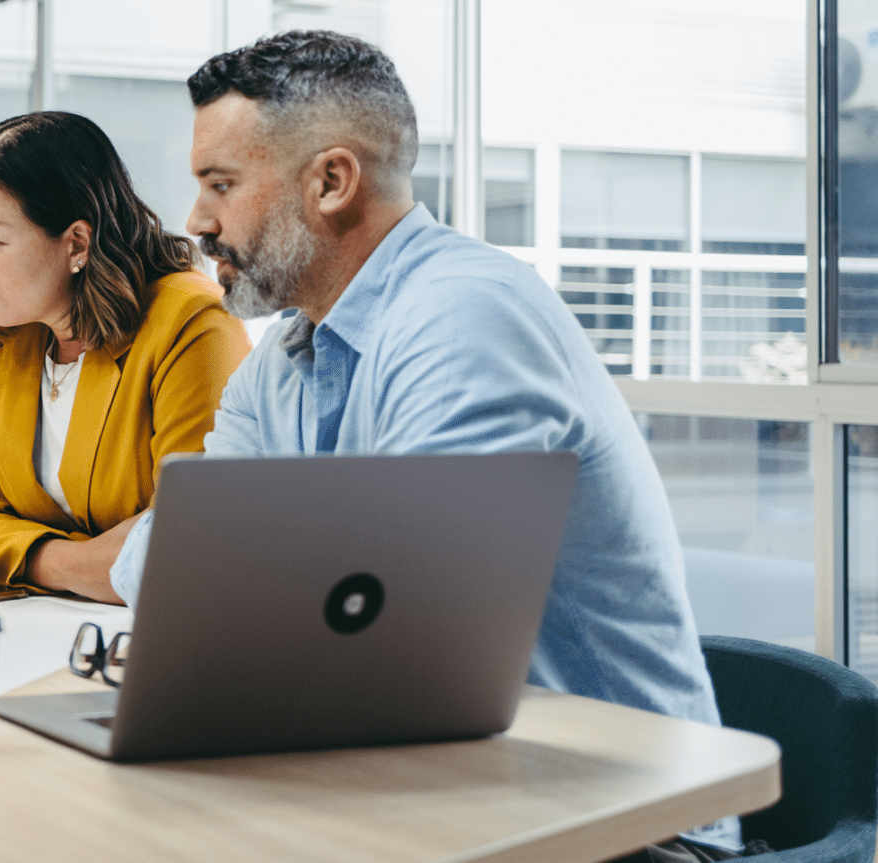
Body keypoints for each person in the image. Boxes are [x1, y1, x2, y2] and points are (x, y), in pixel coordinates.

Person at [108, 31, 746, 858]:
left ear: (331, 181)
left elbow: (401, 641)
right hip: (437, 789)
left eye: (221, 184)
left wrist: (254, 571)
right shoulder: (282, 361)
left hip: (621, 824)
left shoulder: (465, 316)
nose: (197, 221)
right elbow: (165, 565)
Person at [0, 112, 249, 602]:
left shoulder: (193, 321)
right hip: (36, 626)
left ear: (77, 243)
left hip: (156, 633)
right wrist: (75, 565)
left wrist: (19, 552)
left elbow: (187, 536)